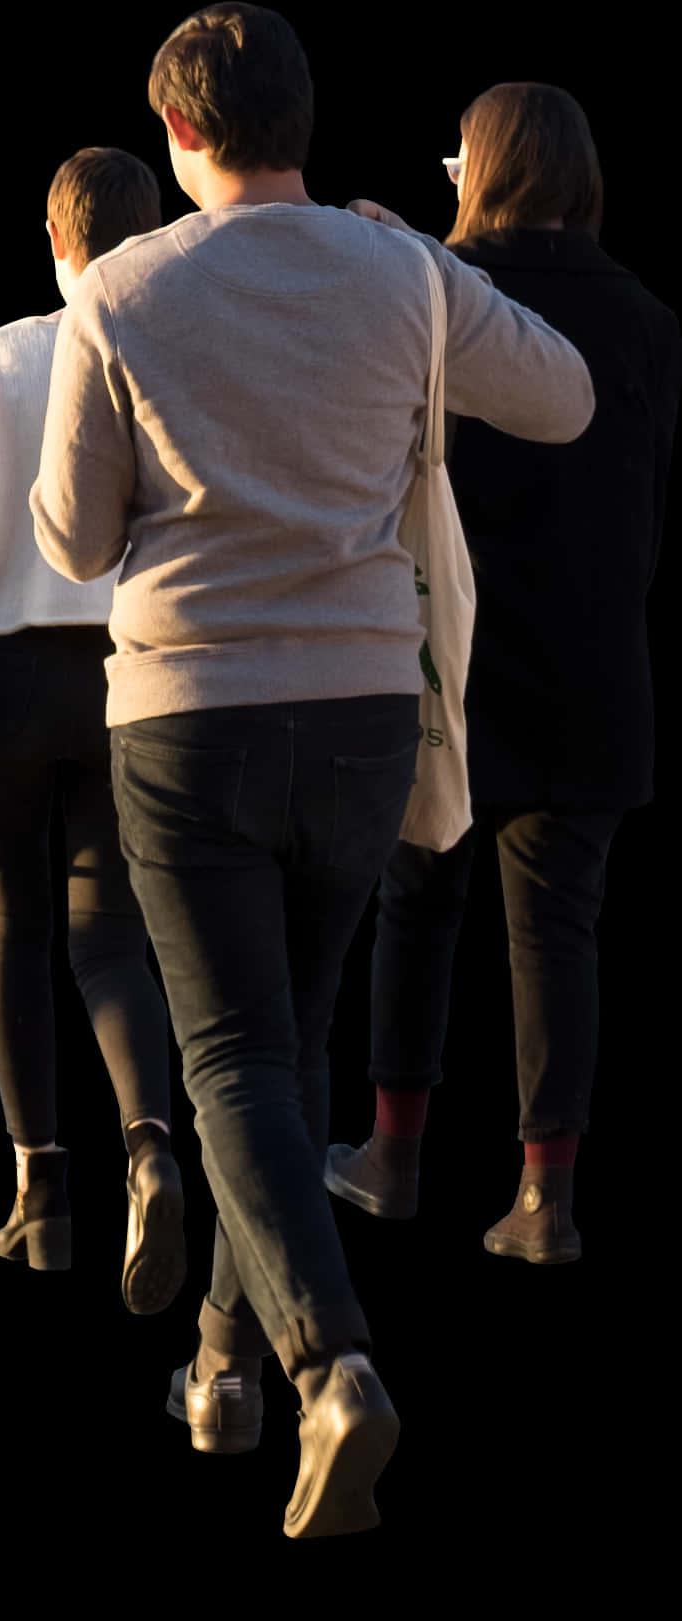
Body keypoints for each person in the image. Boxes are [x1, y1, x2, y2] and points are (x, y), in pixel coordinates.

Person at [30, 6, 595, 1537]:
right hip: (360, 710)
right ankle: (217, 1368)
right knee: (278, 1056)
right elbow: (561, 398)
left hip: (185, 712)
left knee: (227, 1063)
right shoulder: (402, 271)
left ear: (176, 137)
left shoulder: (121, 289)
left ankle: (328, 1364)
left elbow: (71, 542)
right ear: (299, 121)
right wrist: (426, 266)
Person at [324, 84, 681, 1262]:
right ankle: (545, 1202)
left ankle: (391, 1157)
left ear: (479, 167)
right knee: (557, 934)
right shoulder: (646, 318)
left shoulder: (439, 295)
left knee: (414, 908)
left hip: (453, 663)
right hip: (594, 670)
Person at [0, 148, 184, 1314]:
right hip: (130, 679)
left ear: (54, 243)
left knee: (11, 929)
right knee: (112, 933)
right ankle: (152, 1147)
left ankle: (41, 1198)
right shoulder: (179, 354)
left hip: (0, 688)